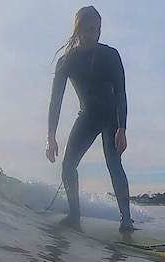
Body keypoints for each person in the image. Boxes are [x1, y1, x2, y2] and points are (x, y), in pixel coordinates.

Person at [46, 5, 134, 232]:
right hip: (87, 116)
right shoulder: (67, 62)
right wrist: (51, 136)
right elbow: (56, 99)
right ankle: (74, 216)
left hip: (110, 117)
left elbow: (121, 93)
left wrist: (122, 128)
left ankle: (126, 219)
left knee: (114, 164)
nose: (93, 34)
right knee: (67, 166)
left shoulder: (110, 55)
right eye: (88, 29)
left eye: (97, 29)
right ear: (78, 30)